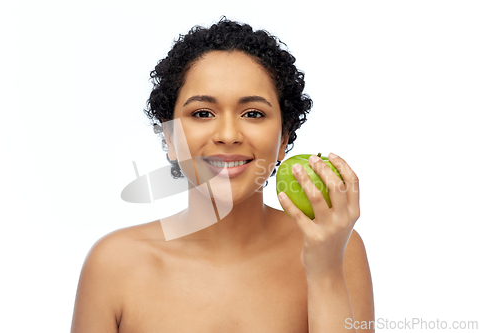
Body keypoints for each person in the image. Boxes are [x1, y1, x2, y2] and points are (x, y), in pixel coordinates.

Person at [71, 18, 374, 332]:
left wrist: (325, 272)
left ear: (284, 139)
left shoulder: (339, 250)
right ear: (170, 137)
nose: (228, 135)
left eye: (253, 113)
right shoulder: (114, 264)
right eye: (203, 113)